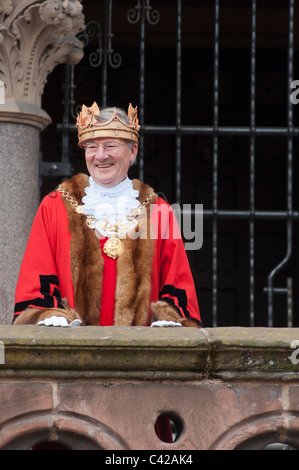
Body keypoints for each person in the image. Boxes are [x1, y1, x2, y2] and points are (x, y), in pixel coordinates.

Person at [13, 102, 202, 329]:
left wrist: (171, 319)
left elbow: (177, 281)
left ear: (132, 151)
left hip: (140, 352)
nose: (100, 156)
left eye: (110, 145)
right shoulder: (54, 206)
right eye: (92, 147)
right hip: (71, 350)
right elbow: (37, 276)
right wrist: (46, 315)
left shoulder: (159, 210)